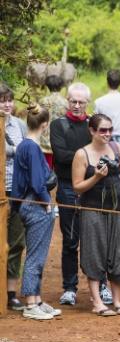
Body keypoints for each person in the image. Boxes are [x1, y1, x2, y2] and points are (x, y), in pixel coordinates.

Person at [51, 82, 114, 306]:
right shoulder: (59, 125)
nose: (77, 105)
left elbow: (104, 149)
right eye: (73, 101)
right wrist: (86, 158)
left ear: (88, 103)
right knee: (70, 239)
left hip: (95, 187)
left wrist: (84, 159)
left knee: (98, 238)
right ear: (67, 101)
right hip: (68, 187)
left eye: (81, 102)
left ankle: (102, 283)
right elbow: (60, 155)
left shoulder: (94, 125)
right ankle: (70, 287)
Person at [71, 113, 120, 316]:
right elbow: (77, 187)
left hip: (118, 209)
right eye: (102, 130)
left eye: (109, 130)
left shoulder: (117, 148)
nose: (107, 134)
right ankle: (97, 301)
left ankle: (116, 300)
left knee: (119, 253)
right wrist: (96, 177)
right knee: (94, 253)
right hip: (92, 209)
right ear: (92, 131)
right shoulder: (82, 154)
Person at [11, 104, 61, 320]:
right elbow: (37, 181)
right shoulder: (32, 148)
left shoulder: (22, 145)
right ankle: (31, 303)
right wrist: (47, 201)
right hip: (35, 204)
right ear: (45, 125)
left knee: (37, 254)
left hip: (26, 203)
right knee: (35, 256)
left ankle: (37, 299)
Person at [1, 83, 28, 311]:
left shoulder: (20, 126)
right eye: (2, 100)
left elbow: (28, 153)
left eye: (9, 99)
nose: (7, 104)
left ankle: (11, 293)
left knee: (16, 243)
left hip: (17, 192)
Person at [94, 69, 120, 157]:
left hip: (104, 137)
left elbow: (95, 121)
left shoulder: (99, 101)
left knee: (106, 167)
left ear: (107, 82)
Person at [38, 75, 68, 169]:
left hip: (43, 141)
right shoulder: (66, 102)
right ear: (61, 86)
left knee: (46, 170)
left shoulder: (42, 101)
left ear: (47, 86)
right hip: (60, 139)